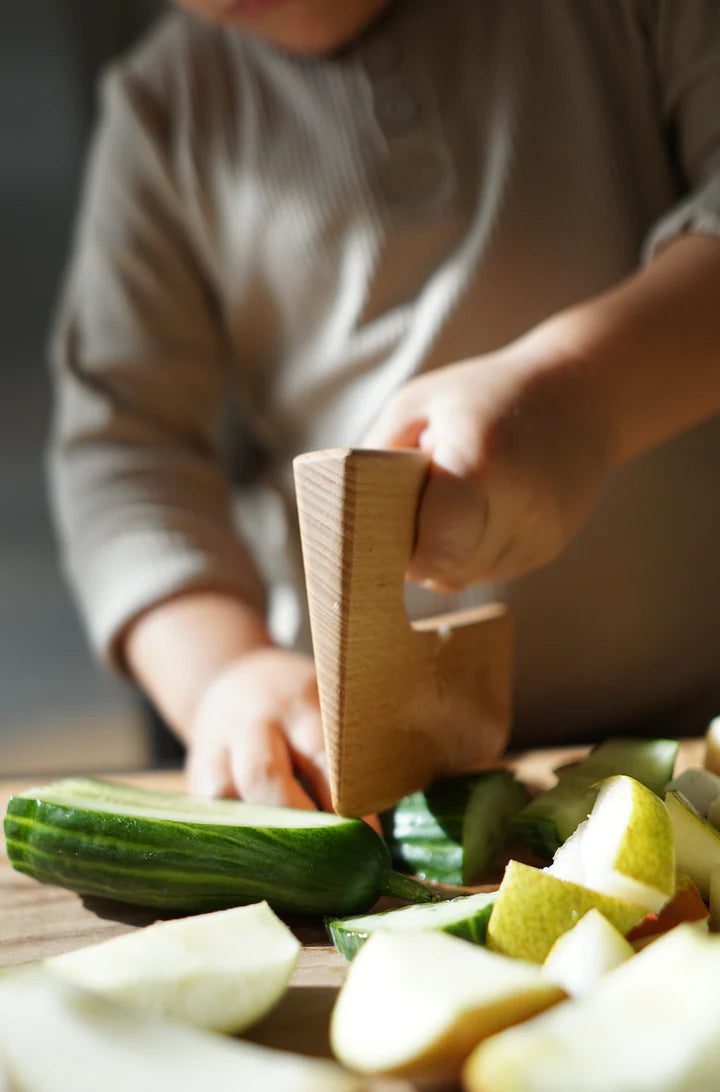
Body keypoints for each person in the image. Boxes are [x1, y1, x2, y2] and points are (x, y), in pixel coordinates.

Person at [50, 0, 720, 812]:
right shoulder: (163, 110)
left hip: (701, 725)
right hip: (386, 788)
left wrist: (589, 395)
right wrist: (227, 672)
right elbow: (124, 455)